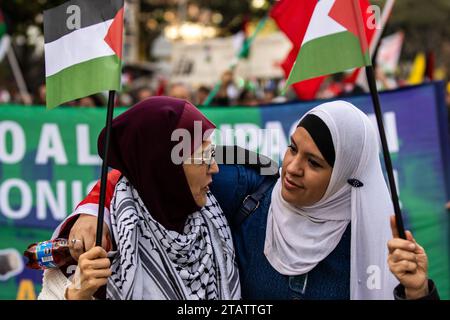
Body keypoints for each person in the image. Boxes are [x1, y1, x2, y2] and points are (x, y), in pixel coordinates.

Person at [60, 100, 437, 299]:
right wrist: (94, 207)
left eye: (314, 163)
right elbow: (151, 170)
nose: (292, 167)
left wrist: (418, 292)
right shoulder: (249, 187)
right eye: (292, 148)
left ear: (344, 178)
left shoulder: (373, 239)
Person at [38, 97, 241, 300]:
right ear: (165, 169)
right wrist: (76, 295)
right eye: (202, 156)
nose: (215, 168)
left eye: (211, 153)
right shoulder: (101, 242)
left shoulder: (214, 212)